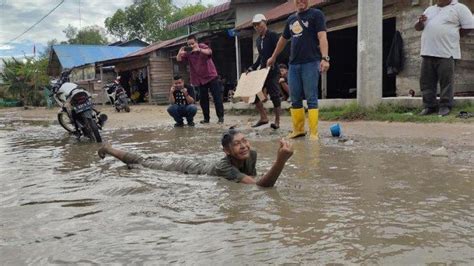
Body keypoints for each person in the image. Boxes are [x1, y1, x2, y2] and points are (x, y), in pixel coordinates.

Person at [97, 129, 294, 188]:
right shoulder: (224, 167)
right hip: (182, 167)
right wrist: (280, 161)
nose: (243, 146)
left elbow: (253, 178)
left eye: (245, 141)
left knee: (145, 160)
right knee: (142, 162)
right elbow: (259, 185)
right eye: (237, 144)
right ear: (226, 151)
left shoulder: (252, 154)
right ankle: (109, 148)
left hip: (199, 165)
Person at [267, 0, 330, 140]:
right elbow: (283, 40)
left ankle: (313, 132)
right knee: (295, 98)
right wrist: (273, 57)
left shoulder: (316, 14)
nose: (300, 1)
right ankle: (298, 130)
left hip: (311, 62)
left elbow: (322, 36)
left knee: (311, 98)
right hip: (294, 64)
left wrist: (325, 58)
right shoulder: (291, 19)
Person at [415, 0, 474, 116]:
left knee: (446, 81)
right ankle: (429, 106)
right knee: (426, 82)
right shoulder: (430, 9)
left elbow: (469, 26)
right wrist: (420, 22)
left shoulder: (459, 8)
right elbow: (417, 27)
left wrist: (454, 34)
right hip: (427, 51)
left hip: (447, 52)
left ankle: (445, 106)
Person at [177, 35, 224, 124]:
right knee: (203, 100)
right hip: (199, 79)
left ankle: (220, 118)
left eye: (192, 43)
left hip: (211, 76)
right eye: (189, 44)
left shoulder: (202, 46)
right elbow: (179, 59)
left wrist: (199, 49)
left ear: (196, 42)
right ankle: (206, 119)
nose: (191, 46)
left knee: (217, 98)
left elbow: (209, 52)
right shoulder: (188, 52)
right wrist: (179, 53)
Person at [246, 14, 282, 130]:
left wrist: (274, 61)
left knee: (275, 95)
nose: (257, 27)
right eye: (255, 25)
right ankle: (264, 117)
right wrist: (252, 67)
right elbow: (261, 57)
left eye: (259, 24)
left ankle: (277, 121)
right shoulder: (257, 40)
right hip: (262, 72)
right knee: (255, 94)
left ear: (265, 23)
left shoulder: (272, 35)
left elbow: (279, 51)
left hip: (273, 70)